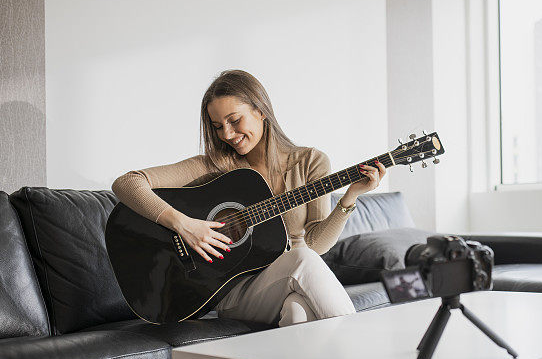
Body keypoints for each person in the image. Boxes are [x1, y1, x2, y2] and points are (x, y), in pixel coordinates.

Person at [112, 69, 385, 327]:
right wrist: (184, 224)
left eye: (234, 120)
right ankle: (360, 349)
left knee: (296, 313)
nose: (227, 134)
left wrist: (351, 195)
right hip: (232, 291)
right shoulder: (215, 165)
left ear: (261, 110)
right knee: (302, 260)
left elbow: (315, 244)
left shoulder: (310, 162)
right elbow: (127, 183)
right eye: (218, 126)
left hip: (288, 277)